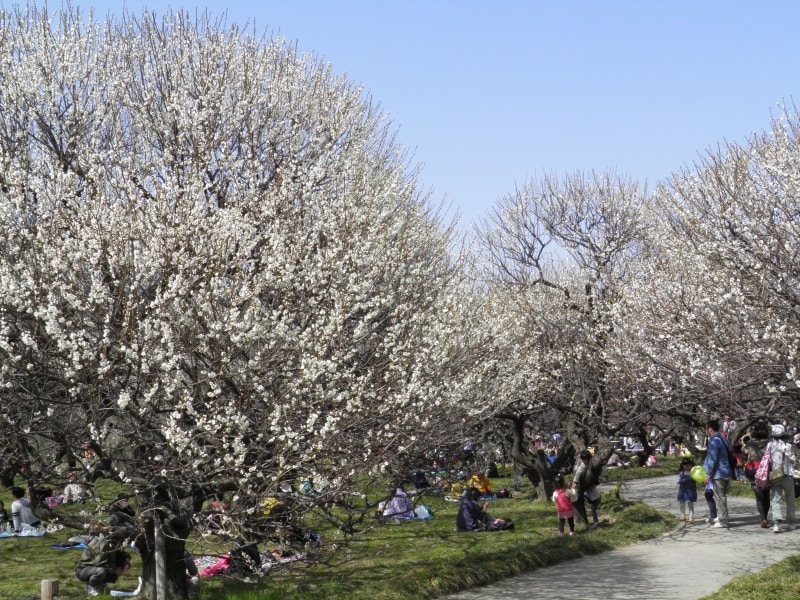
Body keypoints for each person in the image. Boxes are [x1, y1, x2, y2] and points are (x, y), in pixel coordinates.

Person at [703, 419, 732, 528]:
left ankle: (724, 520)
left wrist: (707, 474)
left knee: (720, 497)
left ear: (710, 429)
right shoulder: (724, 439)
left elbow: (712, 459)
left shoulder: (714, 441)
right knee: (721, 496)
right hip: (726, 470)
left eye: (707, 428)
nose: (706, 431)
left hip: (719, 473)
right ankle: (722, 517)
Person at [767, 423, 796, 533]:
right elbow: (793, 460)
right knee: (790, 499)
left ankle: (777, 523)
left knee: (776, 499)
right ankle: (791, 522)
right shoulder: (788, 446)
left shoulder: (770, 445)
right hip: (787, 474)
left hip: (775, 475)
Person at [745, 420, 771, 528]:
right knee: (766, 494)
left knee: (758, 495)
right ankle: (765, 516)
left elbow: (746, 452)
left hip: (753, 469)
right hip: (766, 469)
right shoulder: (770, 442)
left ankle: (763, 518)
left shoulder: (750, 442)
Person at [572, 450, 597, 527]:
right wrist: (575, 481)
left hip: (592, 478)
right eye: (582, 460)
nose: (584, 461)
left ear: (588, 458)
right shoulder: (583, 464)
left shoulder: (593, 462)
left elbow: (601, 470)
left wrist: (605, 476)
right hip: (584, 479)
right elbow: (578, 472)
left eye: (584, 460)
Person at [676, 457, 697, 523]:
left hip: (690, 490)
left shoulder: (693, 473)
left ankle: (691, 516)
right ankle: (682, 515)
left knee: (690, 503)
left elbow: (696, 480)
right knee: (682, 503)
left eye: (689, 465)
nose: (688, 467)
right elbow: (678, 481)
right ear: (683, 466)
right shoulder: (682, 473)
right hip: (683, 490)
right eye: (686, 465)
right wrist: (682, 481)